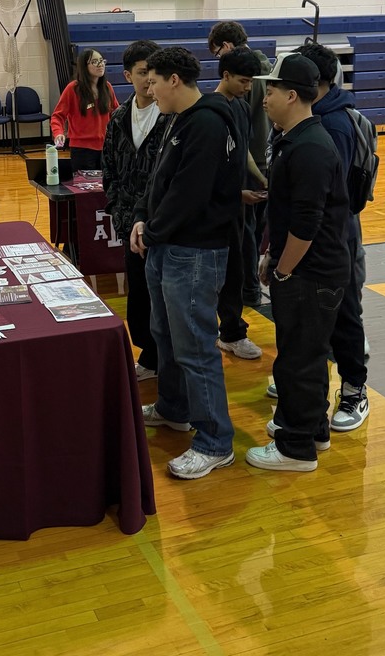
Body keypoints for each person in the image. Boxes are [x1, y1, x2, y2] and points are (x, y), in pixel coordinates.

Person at [131, 46, 242, 480]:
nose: (148, 88)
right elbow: (159, 181)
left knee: (195, 347)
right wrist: (142, 216)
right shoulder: (178, 120)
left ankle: (215, 441)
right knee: (166, 336)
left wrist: (154, 231)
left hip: (193, 253)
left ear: (173, 80)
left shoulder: (209, 124)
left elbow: (190, 195)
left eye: (153, 81)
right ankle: (174, 408)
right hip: (166, 247)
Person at [245, 53, 350, 473]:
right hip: (306, 269)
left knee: (298, 359)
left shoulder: (309, 148)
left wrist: (283, 268)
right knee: (305, 354)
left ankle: (296, 447)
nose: (264, 96)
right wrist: (273, 254)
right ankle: (313, 429)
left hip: (311, 273)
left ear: (292, 95)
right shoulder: (293, 137)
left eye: (270, 89)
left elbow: (307, 226)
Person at [294, 41, 369, 430]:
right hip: (321, 234)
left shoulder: (334, 124)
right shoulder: (315, 117)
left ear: (313, 81)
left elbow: (329, 196)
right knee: (316, 315)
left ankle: (355, 391)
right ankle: (308, 383)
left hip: (337, 234)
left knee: (344, 313)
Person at [102, 40, 168, 381]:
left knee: (163, 299)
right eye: (142, 73)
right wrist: (120, 214)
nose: (148, 80)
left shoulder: (172, 116)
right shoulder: (118, 117)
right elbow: (109, 170)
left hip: (163, 226)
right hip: (130, 226)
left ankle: (162, 360)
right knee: (139, 296)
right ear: (128, 75)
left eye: (153, 73)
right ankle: (148, 356)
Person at [207, 21, 272, 306]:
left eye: (216, 52)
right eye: (243, 82)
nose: (246, 86)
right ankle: (248, 288)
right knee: (251, 231)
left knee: (245, 232)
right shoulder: (265, 68)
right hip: (258, 159)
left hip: (250, 160)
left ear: (226, 47)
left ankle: (247, 289)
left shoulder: (245, 87)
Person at [213, 47, 266, 360]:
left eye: (251, 82)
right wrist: (233, 195)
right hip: (218, 206)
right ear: (226, 76)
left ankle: (231, 331)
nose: (249, 88)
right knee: (222, 271)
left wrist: (260, 178)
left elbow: (243, 151)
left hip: (240, 202)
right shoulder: (211, 111)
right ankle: (227, 331)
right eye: (244, 81)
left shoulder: (243, 108)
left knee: (239, 265)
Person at [51, 48, 119, 173]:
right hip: (82, 150)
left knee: (105, 188)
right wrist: (58, 133)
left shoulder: (107, 87)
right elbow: (57, 116)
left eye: (102, 61)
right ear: (84, 66)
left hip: (106, 148)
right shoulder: (73, 89)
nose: (100, 65)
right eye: (95, 61)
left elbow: (117, 114)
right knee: (84, 189)